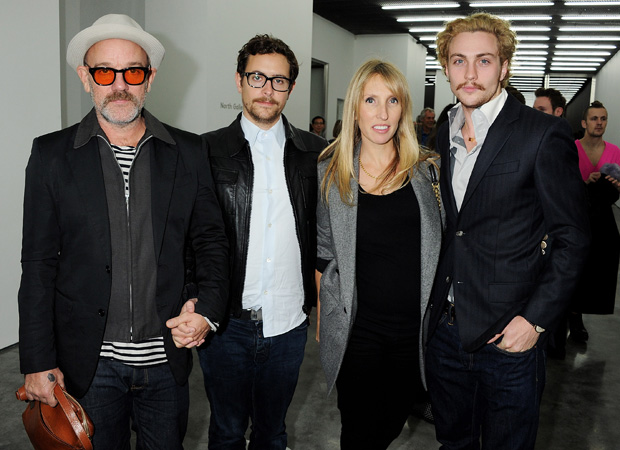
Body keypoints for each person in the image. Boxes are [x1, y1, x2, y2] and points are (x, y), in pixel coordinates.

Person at [17, 14, 229, 450]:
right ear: (85, 77)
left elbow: (211, 241)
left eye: (132, 71)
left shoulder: (188, 152)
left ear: (149, 77)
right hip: (88, 367)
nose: (119, 85)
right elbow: (37, 265)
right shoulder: (51, 155)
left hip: (165, 364)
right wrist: (37, 360)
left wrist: (206, 309)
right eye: (104, 72)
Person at [426, 13, 590, 449]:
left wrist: (535, 321)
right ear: (446, 67)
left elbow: (572, 237)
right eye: (459, 61)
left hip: (509, 337)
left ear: (504, 67)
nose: (471, 73)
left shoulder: (542, 134)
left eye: (484, 60)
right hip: (445, 332)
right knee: (453, 443)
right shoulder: (442, 131)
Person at [199, 34, 325, 449]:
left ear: (291, 86)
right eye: (257, 77)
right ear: (239, 80)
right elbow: (189, 239)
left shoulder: (315, 154)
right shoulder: (206, 151)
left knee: (272, 433)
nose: (268, 90)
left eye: (280, 80)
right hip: (227, 325)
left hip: (289, 323)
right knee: (228, 432)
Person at [316, 59, 443, 449]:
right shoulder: (331, 170)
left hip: (412, 332)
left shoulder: (427, 170)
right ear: (355, 108)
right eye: (371, 100)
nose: (382, 113)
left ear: (403, 107)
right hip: (358, 331)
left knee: (391, 423)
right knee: (358, 433)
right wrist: (324, 324)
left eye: (392, 100)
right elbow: (323, 252)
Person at [571, 101, 620, 342]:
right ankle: (569, 317)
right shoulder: (572, 148)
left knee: (594, 269)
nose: (599, 123)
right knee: (573, 268)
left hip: (602, 220)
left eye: (603, 119)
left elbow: (617, 189)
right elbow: (563, 184)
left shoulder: (614, 151)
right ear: (584, 123)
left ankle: (578, 316)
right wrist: (586, 182)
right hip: (575, 217)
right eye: (594, 118)